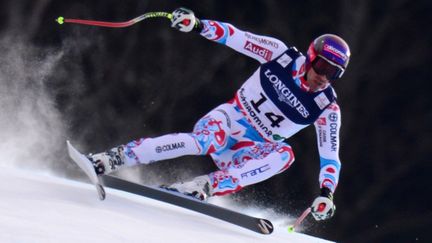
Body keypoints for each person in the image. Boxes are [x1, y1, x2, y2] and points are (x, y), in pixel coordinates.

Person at [88, 7, 351, 221]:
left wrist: (326, 194)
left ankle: (203, 186)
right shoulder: (279, 56)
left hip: (248, 149)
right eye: (321, 66)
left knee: (284, 155)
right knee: (203, 141)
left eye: (334, 73)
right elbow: (237, 37)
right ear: (310, 56)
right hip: (228, 121)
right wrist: (198, 25)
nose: (323, 77)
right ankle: (112, 158)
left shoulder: (326, 108)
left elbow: (330, 157)